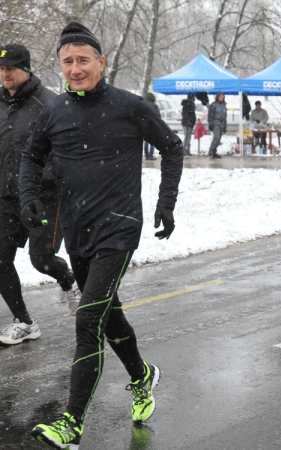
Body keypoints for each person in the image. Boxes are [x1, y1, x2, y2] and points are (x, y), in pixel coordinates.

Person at [19, 22, 183, 448]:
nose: (75, 69)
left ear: (101, 62)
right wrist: (28, 197)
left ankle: (71, 422)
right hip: (78, 230)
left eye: (83, 60)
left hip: (119, 227)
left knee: (88, 318)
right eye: (67, 61)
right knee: (108, 314)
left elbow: (172, 146)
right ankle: (142, 376)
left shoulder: (130, 107)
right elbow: (30, 158)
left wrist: (166, 202)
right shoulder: (54, 112)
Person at [0, 43, 78, 346]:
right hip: (5, 196)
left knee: (41, 259)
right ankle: (24, 321)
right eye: (1, 68)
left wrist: (45, 178)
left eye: (11, 68)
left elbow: (65, 151)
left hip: (44, 197)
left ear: (27, 69)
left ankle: (68, 280)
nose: (5, 73)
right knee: (0, 258)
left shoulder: (50, 103)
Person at [207, 91, 227, 158]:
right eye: (220, 96)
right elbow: (210, 115)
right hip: (216, 123)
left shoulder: (224, 105)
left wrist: (225, 126)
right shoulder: (214, 105)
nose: (221, 98)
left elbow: (225, 117)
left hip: (222, 123)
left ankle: (214, 151)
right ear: (217, 97)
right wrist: (210, 123)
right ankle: (211, 152)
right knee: (216, 137)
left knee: (218, 140)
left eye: (222, 96)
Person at [142, 92, 160, 160]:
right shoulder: (155, 106)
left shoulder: (144, 105)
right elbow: (158, 116)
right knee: (152, 141)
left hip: (145, 126)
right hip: (152, 125)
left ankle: (146, 155)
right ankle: (151, 155)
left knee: (146, 141)